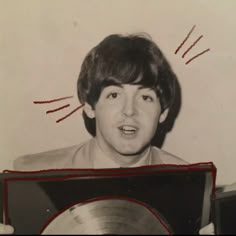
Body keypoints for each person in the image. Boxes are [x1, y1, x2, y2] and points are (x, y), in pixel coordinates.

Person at [1, 33, 233, 234]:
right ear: (90, 106)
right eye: (114, 95)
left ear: (163, 113)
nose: (130, 111)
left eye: (146, 97)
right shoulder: (30, 175)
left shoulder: (191, 191)